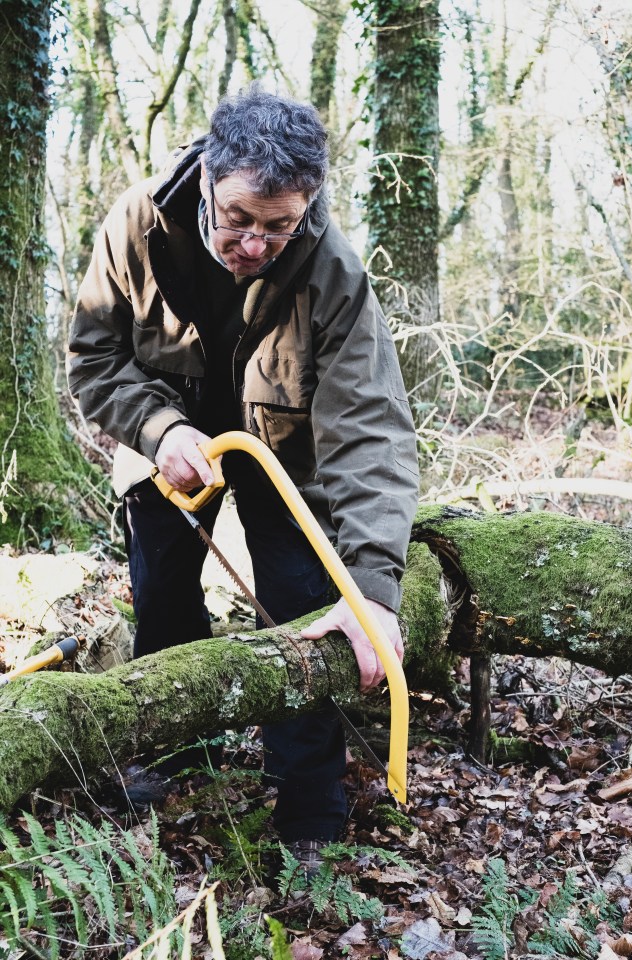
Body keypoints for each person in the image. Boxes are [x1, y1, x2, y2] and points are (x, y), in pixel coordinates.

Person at [67, 85, 418, 872]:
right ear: (207, 183)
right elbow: (94, 359)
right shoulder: (136, 226)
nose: (255, 244)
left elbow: (370, 429)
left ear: (309, 204)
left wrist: (371, 588)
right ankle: (174, 758)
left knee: (306, 603)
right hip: (163, 433)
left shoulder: (332, 271)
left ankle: (309, 810)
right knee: (161, 589)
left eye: (278, 225)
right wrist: (158, 431)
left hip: (282, 448)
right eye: (238, 219)